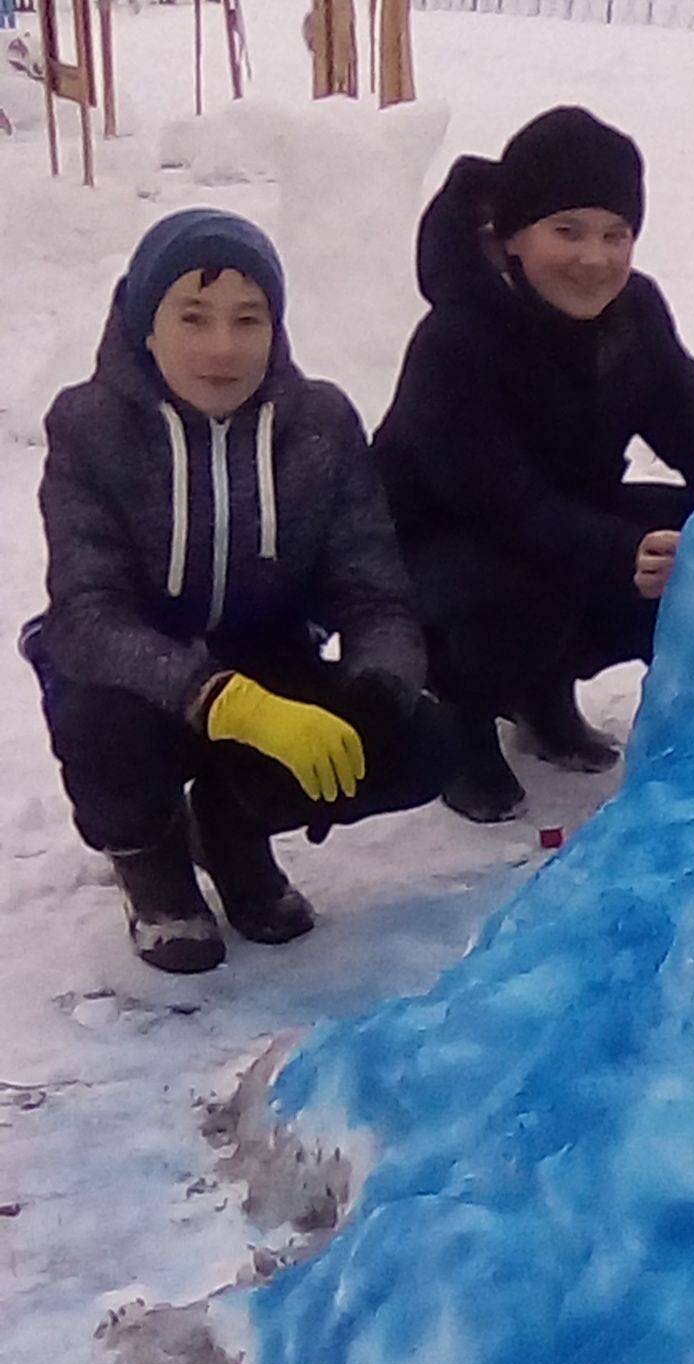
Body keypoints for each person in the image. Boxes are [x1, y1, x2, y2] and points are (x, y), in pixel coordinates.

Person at [27, 208, 447, 976]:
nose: (223, 347)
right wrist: (222, 699)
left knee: (423, 742)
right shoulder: (90, 426)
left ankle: (229, 822)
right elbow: (86, 615)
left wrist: (373, 697)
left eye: (247, 319)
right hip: (136, 684)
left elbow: (375, 594)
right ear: (144, 323)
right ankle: (149, 851)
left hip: (270, 662)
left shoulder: (317, 421)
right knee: (102, 729)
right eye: (193, 316)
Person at [373, 104, 694, 824]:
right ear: (512, 238)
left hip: (555, 525)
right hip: (433, 556)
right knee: (525, 589)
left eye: (616, 235)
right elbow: (497, 499)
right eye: (568, 231)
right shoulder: (455, 340)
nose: (596, 258)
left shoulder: (635, 312)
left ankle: (543, 693)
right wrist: (624, 551)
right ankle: (463, 711)